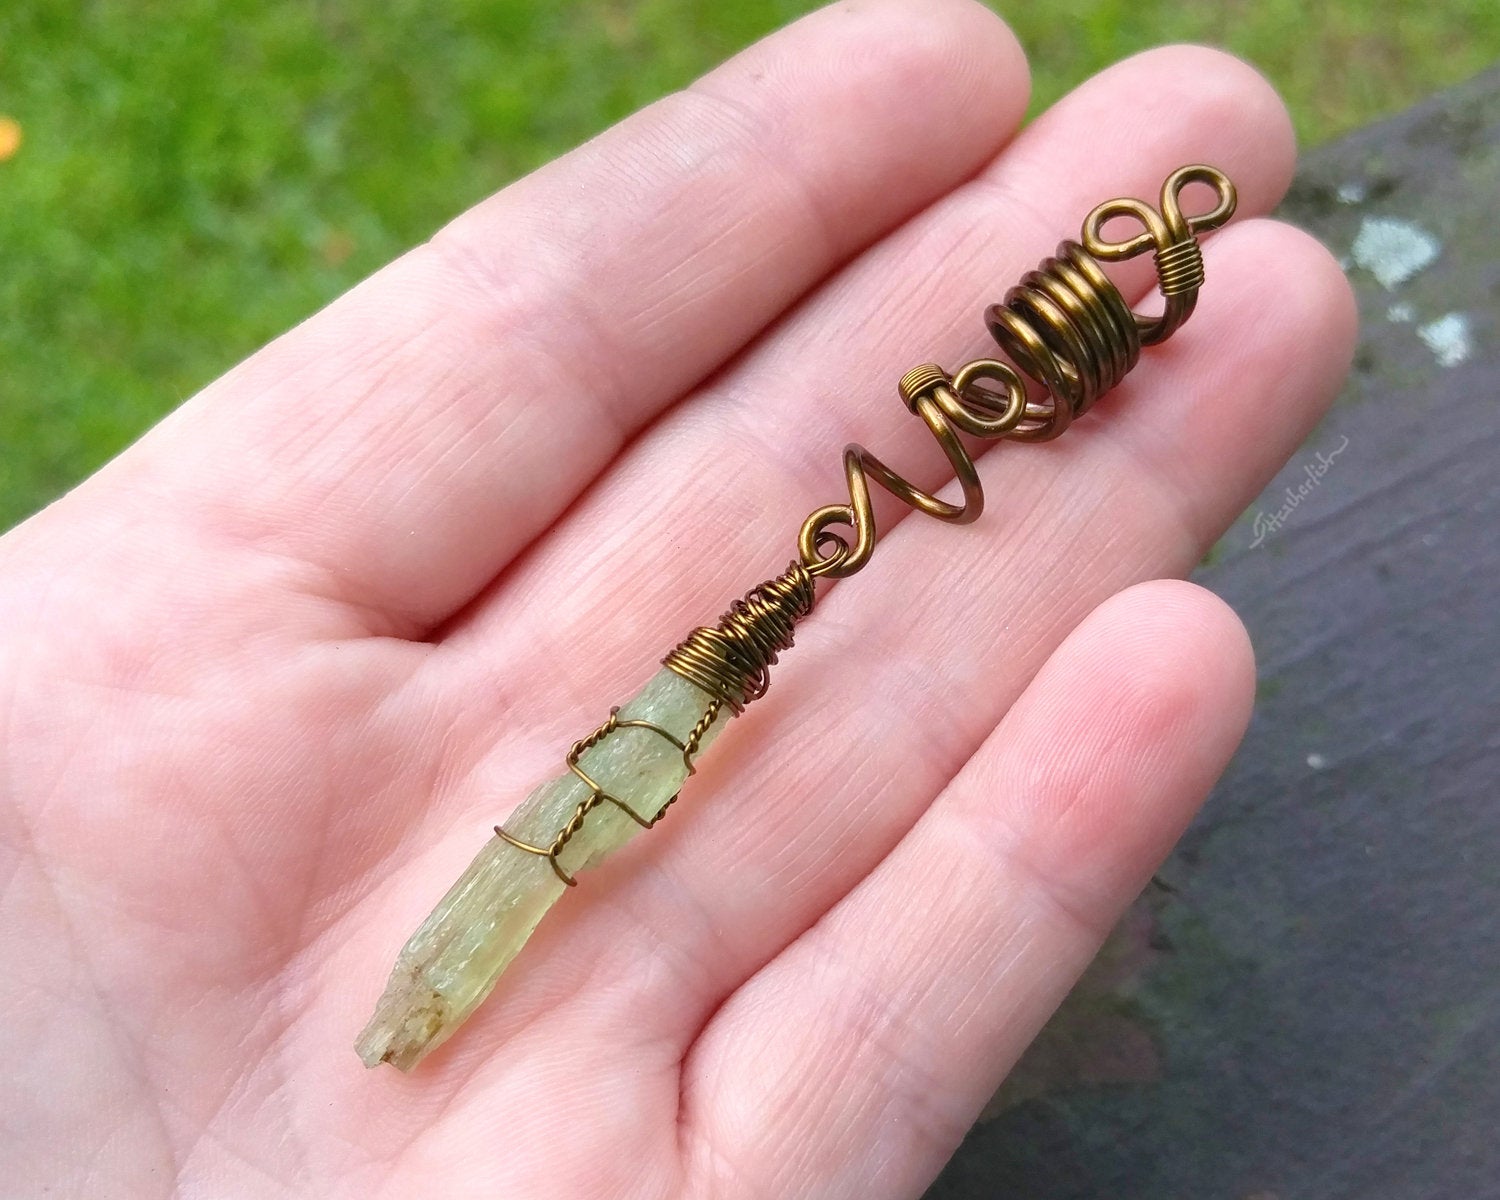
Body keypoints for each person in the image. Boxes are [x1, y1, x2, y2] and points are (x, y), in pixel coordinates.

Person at [0, 1, 1356, 1195]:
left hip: (719, 674)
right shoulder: (966, 422)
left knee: (783, 608)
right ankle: (420, 1001)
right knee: (687, 702)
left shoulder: (985, 418)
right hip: (701, 685)